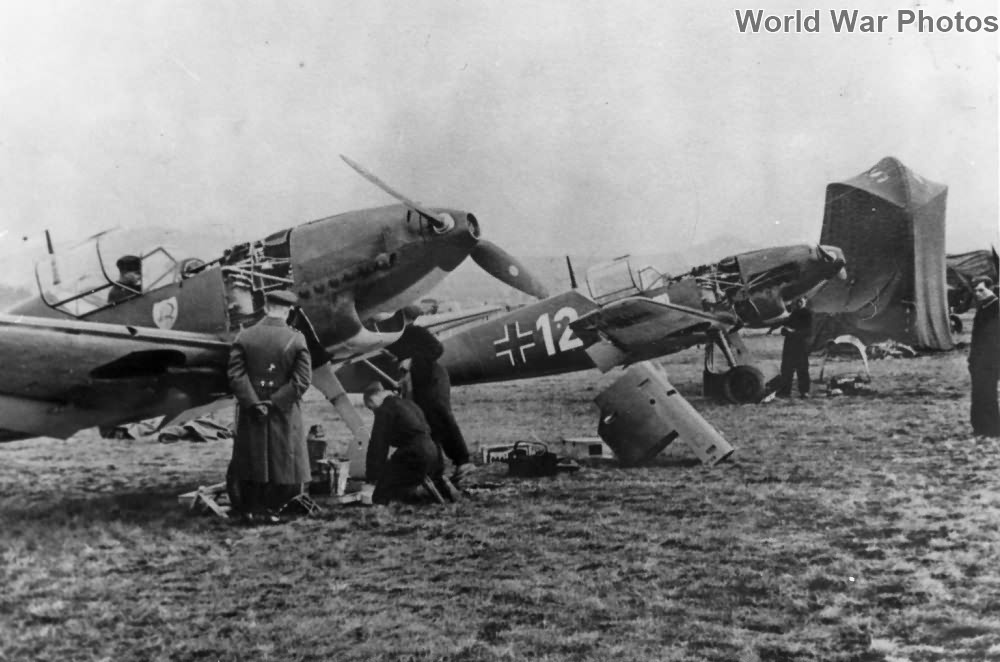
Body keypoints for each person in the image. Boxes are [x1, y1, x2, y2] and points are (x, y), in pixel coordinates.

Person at [227, 288, 313, 523]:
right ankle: (275, 509)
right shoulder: (296, 339)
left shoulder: (244, 336)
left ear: (265, 308)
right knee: (283, 457)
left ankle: (249, 509)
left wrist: (254, 403)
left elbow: (236, 376)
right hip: (283, 411)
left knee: (251, 457)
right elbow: (302, 380)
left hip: (250, 411)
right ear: (287, 311)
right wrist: (274, 402)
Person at [385, 305, 476, 482]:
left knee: (439, 415)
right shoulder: (396, 337)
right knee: (428, 424)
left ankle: (462, 461)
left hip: (432, 378)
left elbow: (437, 348)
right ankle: (437, 470)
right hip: (418, 383)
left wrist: (412, 360)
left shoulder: (415, 332)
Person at [363, 382, 451, 505]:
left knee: (383, 485)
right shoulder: (409, 404)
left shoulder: (384, 410)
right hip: (434, 452)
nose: (373, 411)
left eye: (370, 407)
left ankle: (379, 509)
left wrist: (372, 477)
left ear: (373, 398)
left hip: (415, 454)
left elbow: (377, 446)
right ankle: (443, 495)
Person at [969, 276, 999, 437]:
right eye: (975, 290)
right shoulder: (984, 307)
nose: (978, 293)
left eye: (981, 290)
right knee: (979, 393)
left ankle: (991, 428)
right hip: (979, 361)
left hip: (989, 361)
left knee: (988, 393)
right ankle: (980, 427)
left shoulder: (995, 308)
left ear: (991, 288)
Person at [776, 298, 814, 398]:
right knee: (787, 369)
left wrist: (793, 333)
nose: (798, 303)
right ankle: (785, 391)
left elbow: (808, 331)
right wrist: (785, 330)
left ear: (805, 301)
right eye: (797, 301)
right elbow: (783, 329)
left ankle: (804, 391)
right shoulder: (792, 314)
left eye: (800, 301)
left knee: (802, 369)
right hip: (790, 345)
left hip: (800, 345)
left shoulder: (808, 314)